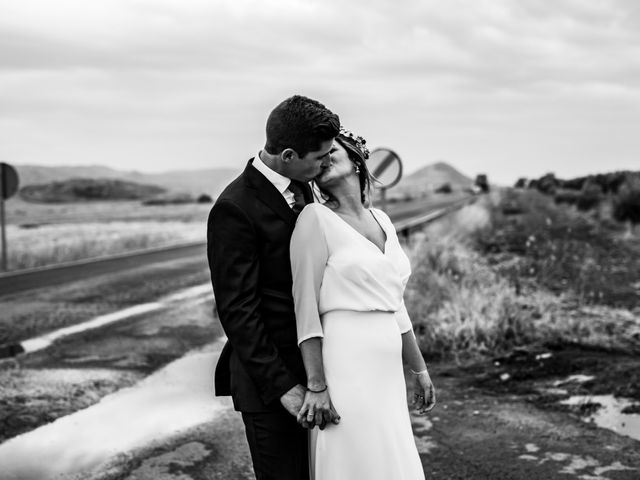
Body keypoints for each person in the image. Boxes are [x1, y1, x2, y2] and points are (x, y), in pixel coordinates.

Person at [290, 128, 436, 480]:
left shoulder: (383, 220)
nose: (322, 157)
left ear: (355, 159)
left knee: (390, 451)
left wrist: (418, 369)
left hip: (385, 367)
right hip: (345, 360)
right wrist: (317, 386)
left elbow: (396, 304)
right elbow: (305, 307)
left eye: (330, 150)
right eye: (317, 154)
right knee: (356, 453)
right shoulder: (314, 218)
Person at [207, 95, 340, 480]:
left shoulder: (308, 185)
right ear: (286, 155)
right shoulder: (234, 207)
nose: (326, 164)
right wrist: (285, 388)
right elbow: (238, 312)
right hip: (272, 386)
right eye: (319, 157)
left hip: (321, 369)